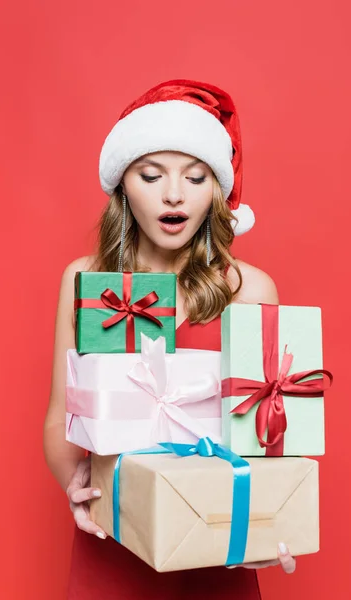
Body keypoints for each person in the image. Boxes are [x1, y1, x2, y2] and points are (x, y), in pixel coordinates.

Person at [43, 79, 296, 600]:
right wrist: (76, 486)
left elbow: (271, 433)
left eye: (196, 176)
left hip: (216, 546)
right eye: (152, 174)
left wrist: (271, 516)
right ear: (123, 185)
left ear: (217, 190)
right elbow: (58, 418)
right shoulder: (87, 283)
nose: (174, 194)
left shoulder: (249, 289)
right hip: (113, 544)